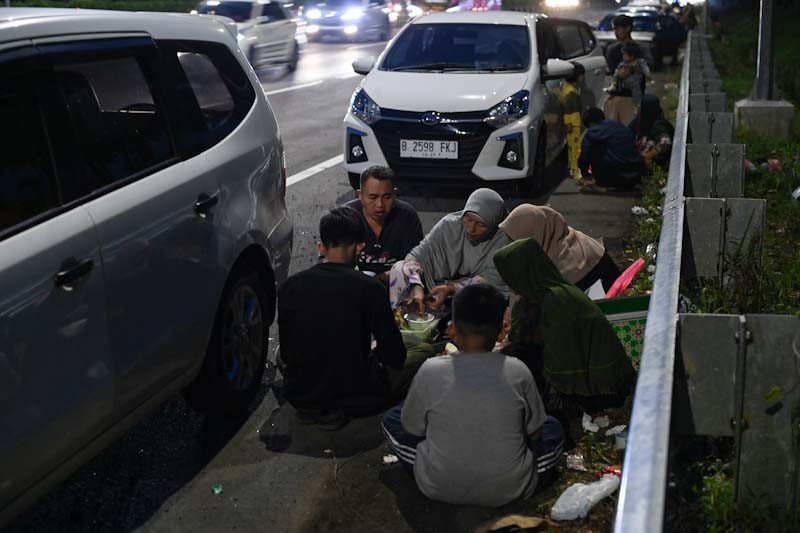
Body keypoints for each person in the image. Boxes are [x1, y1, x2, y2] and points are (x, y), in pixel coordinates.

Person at [381, 284, 565, 507]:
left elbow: (412, 428)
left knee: (392, 419)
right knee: (554, 427)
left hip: (438, 484)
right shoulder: (518, 370)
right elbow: (535, 434)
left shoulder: (430, 370)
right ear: (500, 332)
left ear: (451, 330)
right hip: (511, 487)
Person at [278, 207, 433, 429]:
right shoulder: (369, 288)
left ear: (321, 246)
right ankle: (338, 410)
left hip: (299, 395)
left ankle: (314, 409)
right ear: (360, 247)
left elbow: (286, 351)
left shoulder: (289, 286)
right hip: (354, 397)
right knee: (423, 352)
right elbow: (395, 356)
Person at [493, 238, 636, 414]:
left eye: (509, 276)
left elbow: (561, 358)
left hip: (595, 389)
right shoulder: (532, 299)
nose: (508, 283)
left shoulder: (558, 301)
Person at [390, 188, 511, 312]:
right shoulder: (450, 225)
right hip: (434, 288)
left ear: (494, 223)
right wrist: (416, 285)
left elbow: (492, 280)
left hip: (471, 293)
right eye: (468, 219)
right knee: (399, 268)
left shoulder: (502, 241)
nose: (471, 229)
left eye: (481, 224)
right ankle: (400, 323)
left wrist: (451, 288)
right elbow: (415, 256)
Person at [499, 204, 622, 292]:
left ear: (534, 236)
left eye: (515, 240)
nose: (512, 246)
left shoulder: (566, 263)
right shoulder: (572, 239)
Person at [344, 166, 424, 283]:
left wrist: (378, 279)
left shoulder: (407, 216)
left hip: (394, 283)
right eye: (373, 197)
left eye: (387, 197)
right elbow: (334, 264)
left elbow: (413, 264)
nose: (380, 204)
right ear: (360, 195)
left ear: (395, 194)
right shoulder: (345, 217)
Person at [578, 107, 643, 193]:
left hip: (614, 177)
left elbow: (584, 157)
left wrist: (585, 175)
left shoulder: (593, 132)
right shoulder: (620, 126)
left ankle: (602, 185)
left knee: (592, 147)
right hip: (635, 175)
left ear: (591, 123)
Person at [605, 42, 651, 125]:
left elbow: (645, 68)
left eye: (625, 54)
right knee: (615, 77)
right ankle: (613, 85)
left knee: (637, 94)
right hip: (623, 87)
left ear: (632, 55)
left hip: (635, 84)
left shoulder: (639, 62)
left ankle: (637, 106)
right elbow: (616, 73)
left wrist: (648, 76)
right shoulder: (622, 64)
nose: (623, 56)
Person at [553, 62, 585, 180]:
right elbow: (568, 109)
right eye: (582, 75)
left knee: (572, 148)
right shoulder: (571, 93)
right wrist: (569, 124)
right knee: (575, 148)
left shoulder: (567, 88)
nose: (583, 78)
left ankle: (573, 169)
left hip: (573, 123)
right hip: (574, 124)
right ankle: (575, 170)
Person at [635, 95, 675, 172]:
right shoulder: (645, 123)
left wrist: (649, 156)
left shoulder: (658, 125)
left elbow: (665, 142)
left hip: (661, 168)